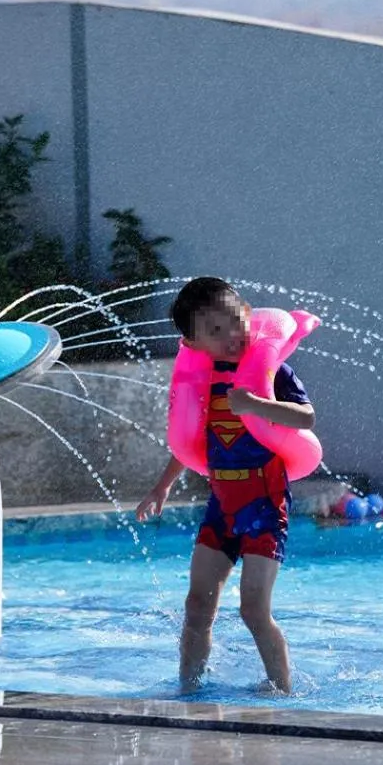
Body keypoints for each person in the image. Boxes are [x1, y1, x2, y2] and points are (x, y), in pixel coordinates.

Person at [136, 277, 316, 694]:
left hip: (265, 503)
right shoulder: (201, 379)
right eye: (214, 331)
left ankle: (281, 690)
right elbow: (190, 440)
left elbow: (305, 419)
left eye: (234, 322)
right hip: (221, 504)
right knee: (197, 604)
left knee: (253, 610)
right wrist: (162, 487)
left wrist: (256, 405)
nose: (231, 336)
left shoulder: (270, 371)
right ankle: (189, 688)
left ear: (248, 315)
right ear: (194, 342)